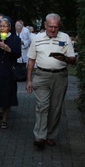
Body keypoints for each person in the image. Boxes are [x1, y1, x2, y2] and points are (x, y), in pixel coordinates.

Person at [26, 13, 77, 149]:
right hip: (41, 75)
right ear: (45, 25)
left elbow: (72, 58)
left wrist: (65, 59)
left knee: (55, 107)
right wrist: (29, 80)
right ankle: (40, 136)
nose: (53, 30)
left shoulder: (65, 37)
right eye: (50, 27)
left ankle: (51, 135)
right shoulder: (37, 38)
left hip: (60, 76)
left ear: (59, 26)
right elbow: (31, 60)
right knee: (42, 106)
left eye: (55, 27)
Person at [0, 17, 21, 129]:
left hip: (8, 70)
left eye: (5, 26)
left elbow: (18, 54)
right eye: (1, 26)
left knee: (7, 95)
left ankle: (5, 118)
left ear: (9, 27)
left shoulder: (15, 39)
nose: (2, 28)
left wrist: (8, 49)